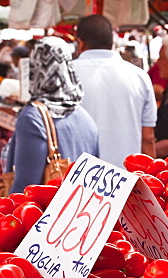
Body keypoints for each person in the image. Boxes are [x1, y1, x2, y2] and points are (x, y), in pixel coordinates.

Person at [6, 38, 99, 194]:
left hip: (44, 215)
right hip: (78, 214)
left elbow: (25, 188)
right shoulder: (86, 118)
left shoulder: (33, 118)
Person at [72, 14, 157, 166]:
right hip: (128, 177)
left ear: (80, 43)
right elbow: (148, 138)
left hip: (79, 177)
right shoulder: (139, 76)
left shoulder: (67, 74)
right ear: (111, 42)